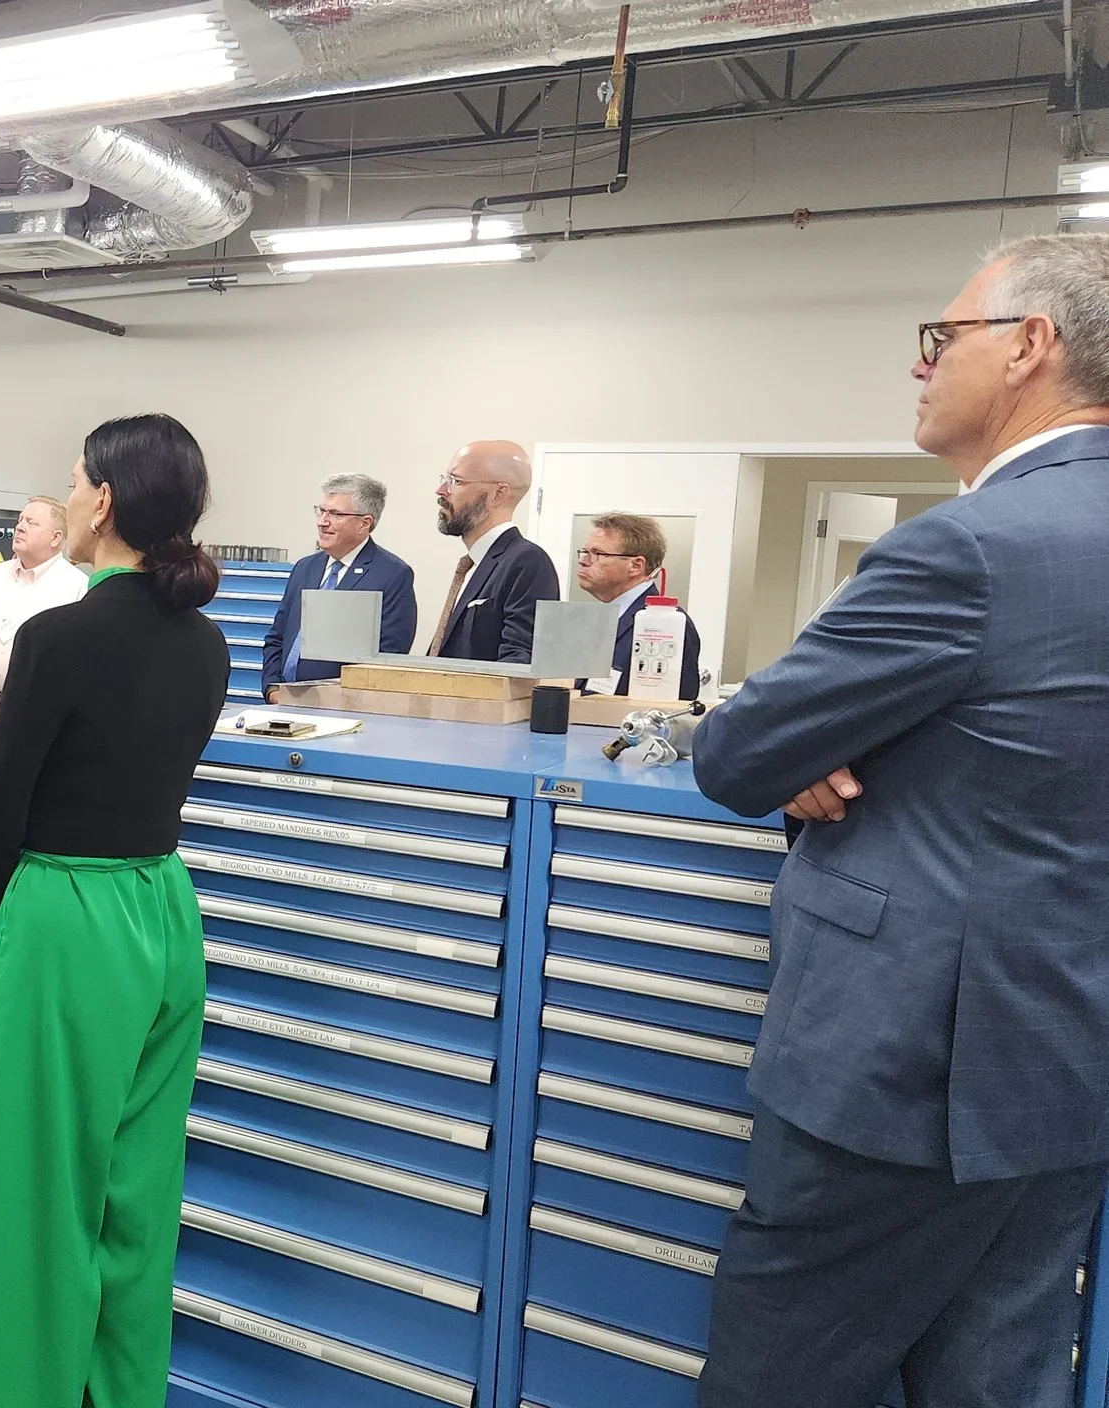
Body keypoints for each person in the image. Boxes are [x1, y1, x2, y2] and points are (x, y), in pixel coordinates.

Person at [691, 234, 1109, 1408]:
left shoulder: (968, 547)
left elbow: (734, 752)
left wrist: (808, 753)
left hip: (898, 1081)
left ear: (1031, 346)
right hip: (1066, 1071)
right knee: (994, 1381)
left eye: (943, 339)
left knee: (779, 1379)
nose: (919, 367)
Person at [0, 414, 229, 1408]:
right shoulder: (209, 640)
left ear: (102, 500)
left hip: (66, 909)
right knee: (136, 1190)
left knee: (30, 1187)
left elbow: (3, 796)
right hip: (163, 908)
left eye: (74, 478)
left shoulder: (55, 636)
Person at [260, 472, 417, 691]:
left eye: (335, 514)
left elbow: (389, 656)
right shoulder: (305, 568)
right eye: (322, 511)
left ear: (364, 523)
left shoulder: (392, 575)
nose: (322, 522)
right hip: (283, 702)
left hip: (340, 708)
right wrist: (272, 688)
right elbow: (277, 637)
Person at [425, 440, 562, 663]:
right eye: (445, 479)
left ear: (498, 493)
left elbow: (519, 661)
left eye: (456, 481)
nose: (441, 491)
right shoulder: (473, 565)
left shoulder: (527, 562)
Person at [0, 496, 86, 725]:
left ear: (55, 538)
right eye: (20, 520)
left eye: (31, 522)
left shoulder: (76, 586)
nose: (19, 527)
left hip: (36, 713)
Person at [574, 511, 702, 699]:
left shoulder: (665, 625)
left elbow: (677, 707)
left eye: (597, 553)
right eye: (585, 552)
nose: (582, 560)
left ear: (635, 565)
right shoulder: (600, 618)